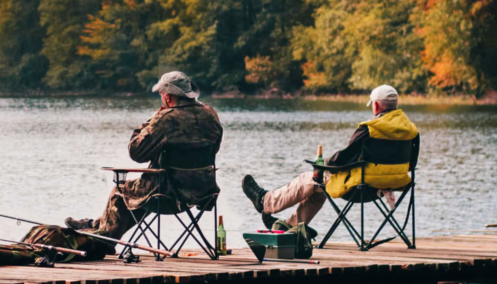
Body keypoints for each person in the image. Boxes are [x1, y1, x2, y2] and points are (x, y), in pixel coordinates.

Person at [66, 71, 223, 242]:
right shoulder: (210, 113)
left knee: (121, 190)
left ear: (168, 97)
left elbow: (136, 153)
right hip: (202, 190)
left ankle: (103, 238)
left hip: (169, 192)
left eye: (161, 95)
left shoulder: (165, 118)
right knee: (141, 193)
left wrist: (153, 119)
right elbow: (214, 148)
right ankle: (97, 228)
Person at [242, 84, 420, 229]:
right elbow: (411, 165)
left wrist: (325, 163)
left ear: (375, 106)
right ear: (395, 105)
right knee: (318, 188)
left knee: (312, 178)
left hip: (361, 187)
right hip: (391, 186)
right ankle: (289, 228)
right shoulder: (411, 131)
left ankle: (265, 201)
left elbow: (343, 159)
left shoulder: (370, 129)